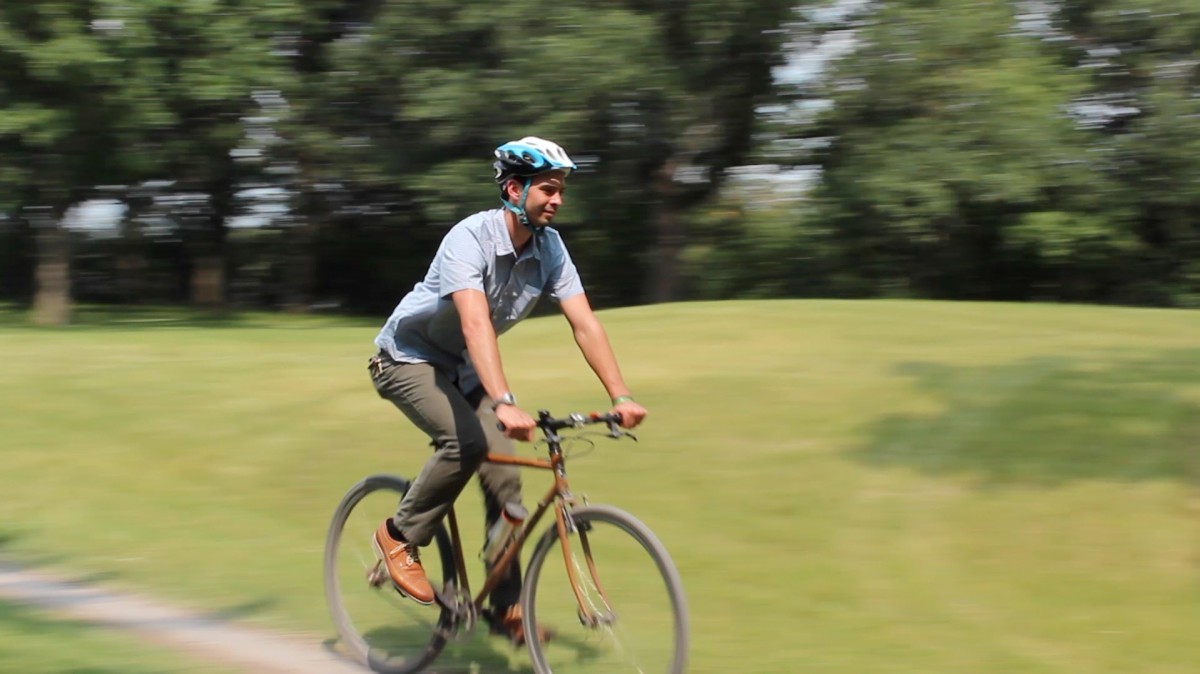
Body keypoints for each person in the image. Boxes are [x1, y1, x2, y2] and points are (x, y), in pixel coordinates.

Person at [367, 136, 647, 646]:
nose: (557, 199)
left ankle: (506, 607)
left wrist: (621, 396)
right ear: (514, 189)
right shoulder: (468, 239)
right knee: (467, 443)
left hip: (464, 372)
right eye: (547, 188)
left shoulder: (550, 248)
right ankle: (397, 536)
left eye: (561, 189)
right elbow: (475, 327)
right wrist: (504, 403)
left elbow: (583, 323)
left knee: (507, 483)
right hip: (406, 360)